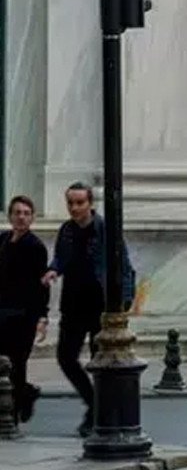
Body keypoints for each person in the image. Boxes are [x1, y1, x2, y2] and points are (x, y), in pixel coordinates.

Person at [42, 182, 136, 438]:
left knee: (100, 361)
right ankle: (94, 403)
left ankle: (101, 416)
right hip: (73, 304)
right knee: (65, 356)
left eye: (80, 203)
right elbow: (61, 256)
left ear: (90, 203)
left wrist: (123, 304)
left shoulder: (105, 229)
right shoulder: (67, 230)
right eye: (70, 203)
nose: (74, 208)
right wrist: (53, 269)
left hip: (100, 305)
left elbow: (124, 264)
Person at [0, 195, 49, 425]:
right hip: (2, 311)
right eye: (17, 212)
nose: (21, 217)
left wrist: (42, 316)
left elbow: (41, 285)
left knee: (17, 363)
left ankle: (15, 411)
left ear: (32, 218)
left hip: (24, 314)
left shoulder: (36, 247)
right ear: (10, 216)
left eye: (26, 213)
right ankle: (24, 394)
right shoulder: (2, 240)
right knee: (4, 362)